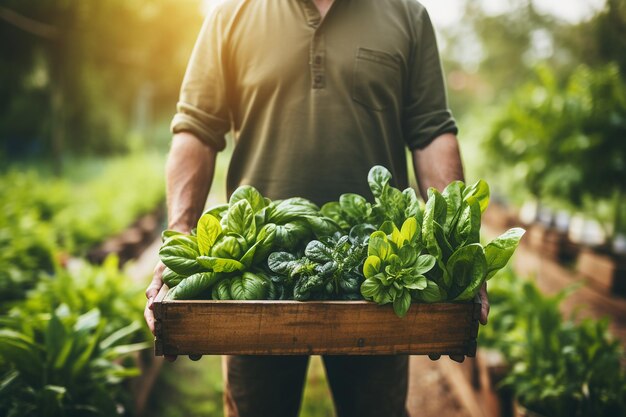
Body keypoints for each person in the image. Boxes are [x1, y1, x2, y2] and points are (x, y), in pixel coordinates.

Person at [144, 0, 489, 416]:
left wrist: (457, 250)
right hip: (256, 269)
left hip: (376, 270)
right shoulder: (231, 15)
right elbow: (196, 129)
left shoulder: (405, 15)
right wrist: (181, 233)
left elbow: (431, 130)